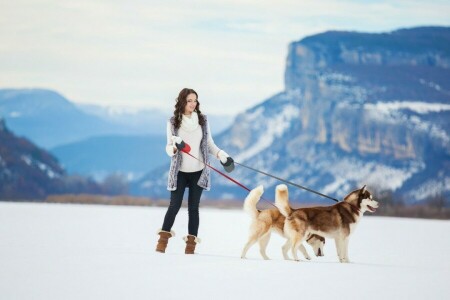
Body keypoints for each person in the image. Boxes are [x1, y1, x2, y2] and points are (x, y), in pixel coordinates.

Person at [156, 88, 234, 254]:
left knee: (193, 208)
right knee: (174, 205)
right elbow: (169, 148)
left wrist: (221, 155)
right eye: (189, 100)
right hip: (180, 173)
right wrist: (175, 148)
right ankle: (162, 243)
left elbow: (209, 144)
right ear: (182, 102)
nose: (193, 104)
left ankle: (190, 247)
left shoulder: (203, 121)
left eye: (195, 100)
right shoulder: (173, 122)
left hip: (198, 172)